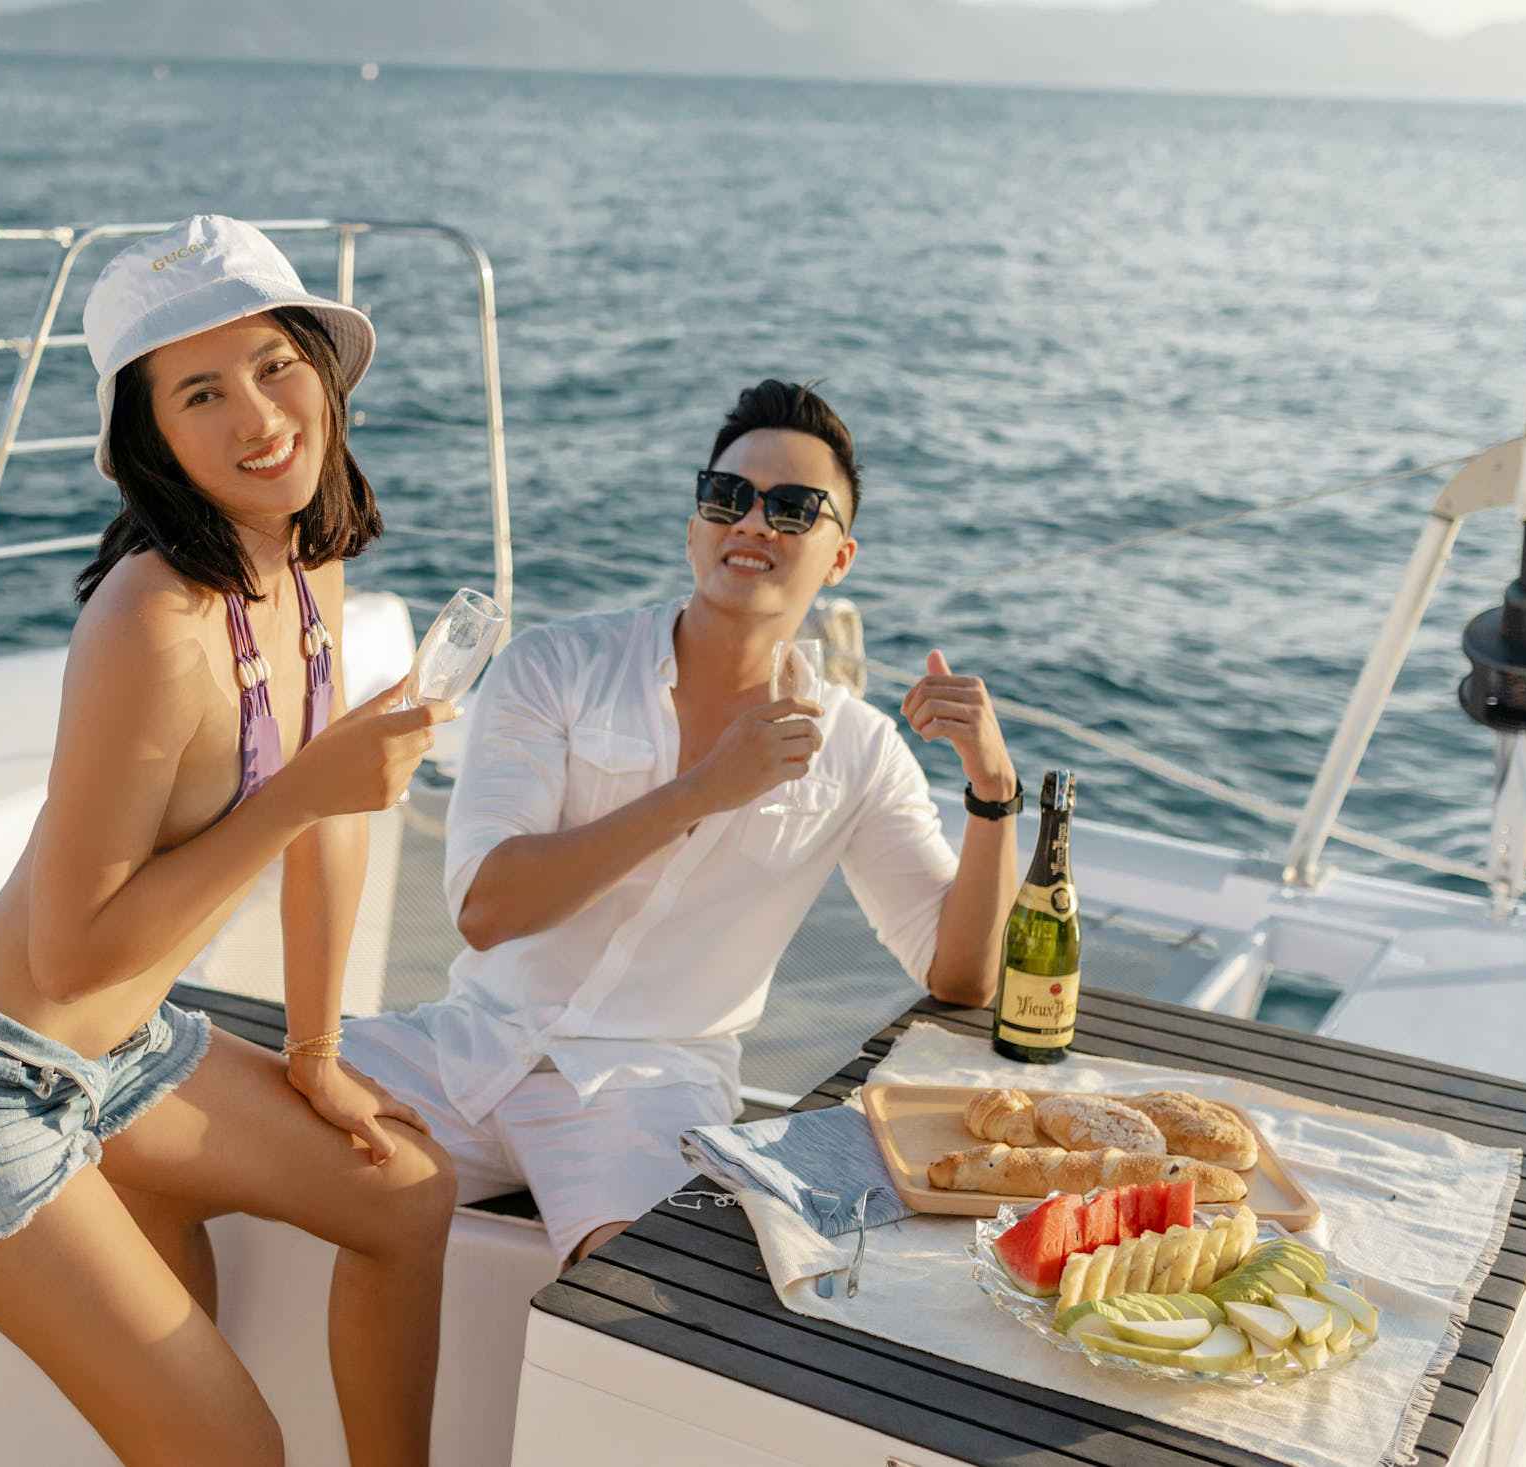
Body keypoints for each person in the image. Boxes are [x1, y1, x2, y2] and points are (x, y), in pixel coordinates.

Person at [0, 215, 457, 1467]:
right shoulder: (152, 620)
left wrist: (320, 1054)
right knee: (234, 1452)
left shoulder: (303, 564)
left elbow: (331, 826)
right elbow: (67, 958)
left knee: (408, 1195)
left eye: (276, 366)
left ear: (323, 375)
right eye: (201, 392)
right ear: (150, 438)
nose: (258, 417)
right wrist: (301, 793)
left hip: (117, 1055)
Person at [343, 379, 1022, 1269]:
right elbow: (487, 907)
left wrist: (994, 791)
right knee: (166, 1108)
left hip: (645, 1094)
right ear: (696, 522)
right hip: (464, 1049)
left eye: (793, 507)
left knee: (646, 1317)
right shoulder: (555, 666)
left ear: (841, 557)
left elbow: (961, 972)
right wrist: (704, 787)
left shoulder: (858, 750)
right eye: (728, 496)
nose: (753, 522)